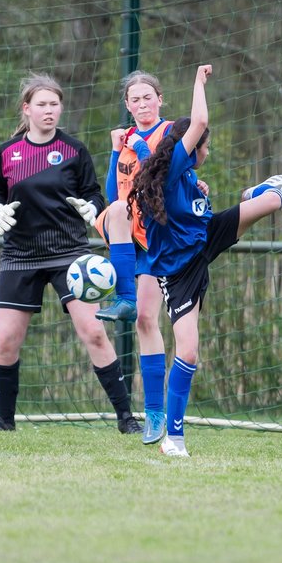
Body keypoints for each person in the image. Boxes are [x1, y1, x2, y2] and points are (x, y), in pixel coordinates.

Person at [129, 64, 282, 457]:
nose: (207, 151)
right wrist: (198, 82)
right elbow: (199, 120)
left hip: (206, 237)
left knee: (272, 199)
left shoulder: (179, 171)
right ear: (190, 148)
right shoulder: (171, 169)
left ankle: (254, 192)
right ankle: (174, 437)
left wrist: (134, 145)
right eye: (204, 146)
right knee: (187, 351)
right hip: (179, 270)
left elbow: (141, 148)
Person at [0, 73, 142, 435]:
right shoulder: (8, 152)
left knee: (94, 333)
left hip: (70, 254)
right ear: (27, 109)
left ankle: (126, 418)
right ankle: (4, 422)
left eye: (54, 104)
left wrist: (91, 208)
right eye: (41, 104)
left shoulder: (74, 150)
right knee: (6, 340)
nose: (49, 110)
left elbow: (95, 193)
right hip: (19, 255)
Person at [92, 70, 179, 445]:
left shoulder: (171, 131)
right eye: (134, 100)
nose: (142, 104)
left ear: (160, 99)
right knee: (143, 319)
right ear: (127, 106)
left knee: (154, 321)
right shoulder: (125, 140)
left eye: (148, 97)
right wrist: (116, 151)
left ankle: (159, 411)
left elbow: (162, 175)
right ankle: (153, 417)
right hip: (135, 236)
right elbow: (116, 193)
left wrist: (140, 147)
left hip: (164, 233)